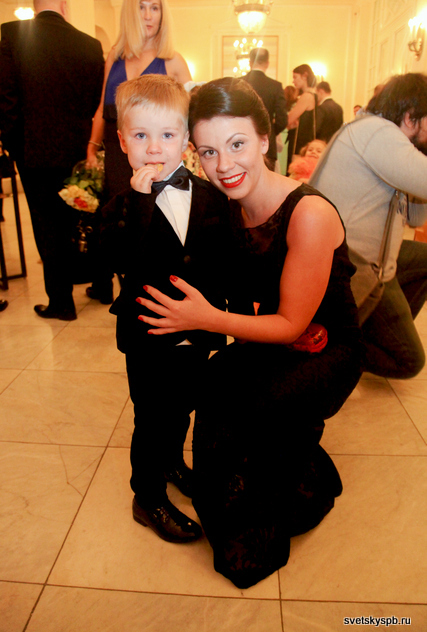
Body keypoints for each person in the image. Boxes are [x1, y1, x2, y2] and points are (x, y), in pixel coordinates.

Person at [136, 77, 363, 588]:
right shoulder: (224, 203)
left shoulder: (308, 213)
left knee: (253, 402)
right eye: (209, 151)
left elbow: (293, 324)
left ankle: (270, 516)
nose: (224, 165)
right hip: (269, 333)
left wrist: (203, 319)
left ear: (265, 139)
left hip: (324, 347)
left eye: (237, 144)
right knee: (217, 383)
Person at [99, 74, 230, 544]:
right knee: (152, 418)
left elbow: (221, 258)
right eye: (141, 135)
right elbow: (114, 258)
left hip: (198, 331)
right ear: (122, 141)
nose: (154, 148)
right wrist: (139, 204)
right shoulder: (119, 206)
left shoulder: (211, 196)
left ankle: (173, 463)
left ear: (186, 138)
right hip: (149, 336)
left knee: (183, 408)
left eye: (167, 135)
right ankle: (147, 495)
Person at [310, 73, 427, 378]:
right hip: (351, 264)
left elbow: (415, 218)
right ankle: (345, 353)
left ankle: (373, 327)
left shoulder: (388, 141)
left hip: (371, 261)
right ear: (410, 117)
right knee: (409, 361)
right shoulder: (377, 132)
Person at [0, 0, 104, 321]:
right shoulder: (90, 45)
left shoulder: (11, 35)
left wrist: (15, 146)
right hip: (79, 150)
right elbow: (95, 102)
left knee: (48, 226)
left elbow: (5, 98)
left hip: (35, 151)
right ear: (64, 6)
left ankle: (61, 301)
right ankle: (100, 283)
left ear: (34, 6)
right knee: (82, 217)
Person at [85, 0, 191, 305]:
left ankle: (159, 289)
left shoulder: (173, 61)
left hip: (159, 155)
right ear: (130, 12)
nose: (148, 15)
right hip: (117, 152)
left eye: (155, 8)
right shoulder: (114, 56)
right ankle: (128, 286)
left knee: (156, 216)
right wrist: (92, 147)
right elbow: (102, 108)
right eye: (142, 7)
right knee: (121, 218)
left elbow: (189, 115)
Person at [244, 48, 288, 170]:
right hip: (267, 144)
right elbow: (282, 120)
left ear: (250, 62)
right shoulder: (275, 86)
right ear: (267, 64)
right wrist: (270, 132)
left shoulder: (238, 82)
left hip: (241, 144)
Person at [286, 64, 317, 161]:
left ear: (305, 76)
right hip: (306, 141)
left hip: (301, 143)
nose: (293, 81)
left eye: (295, 77)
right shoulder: (314, 94)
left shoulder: (307, 96)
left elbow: (288, 119)